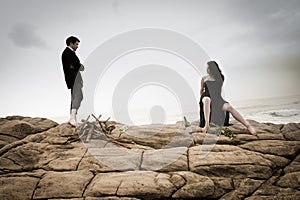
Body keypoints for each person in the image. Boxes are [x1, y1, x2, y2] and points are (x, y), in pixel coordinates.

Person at [199, 61, 257, 135]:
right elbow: (201, 90)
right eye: (207, 68)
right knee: (207, 99)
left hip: (217, 98)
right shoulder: (204, 78)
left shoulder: (221, 77)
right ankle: (206, 125)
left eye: (208, 68)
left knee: (228, 107)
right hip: (206, 97)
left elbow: (216, 89)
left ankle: (248, 126)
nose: (207, 70)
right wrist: (201, 100)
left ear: (213, 68)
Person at [61, 36, 84, 127]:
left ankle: (72, 117)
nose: (77, 46)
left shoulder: (70, 53)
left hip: (74, 79)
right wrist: (80, 66)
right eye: (76, 44)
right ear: (71, 43)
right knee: (77, 96)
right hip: (74, 80)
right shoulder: (68, 53)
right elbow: (76, 66)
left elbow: (76, 66)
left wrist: (78, 66)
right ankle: (72, 118)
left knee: (77, 97)